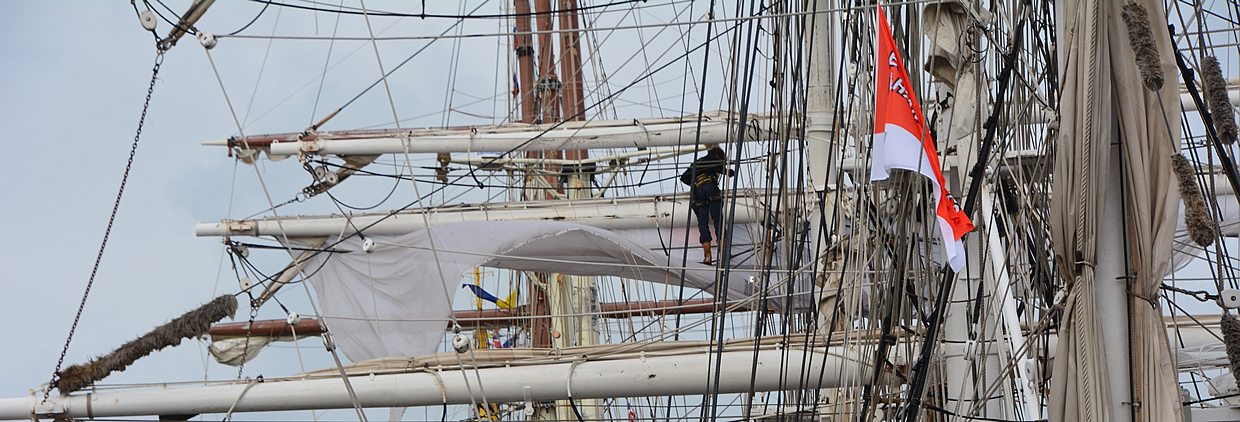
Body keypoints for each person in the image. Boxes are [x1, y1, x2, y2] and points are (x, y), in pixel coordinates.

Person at [685, 145, 734, 265]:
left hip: (698, 193)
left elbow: (685, 178)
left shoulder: (697, 163)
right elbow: (722, 169)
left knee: (703, 222)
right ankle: (723, 250)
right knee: (717, 218)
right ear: (718, 156)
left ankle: (707, 256)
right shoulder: (713, 158)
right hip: (710, 189)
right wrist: (729, 172)